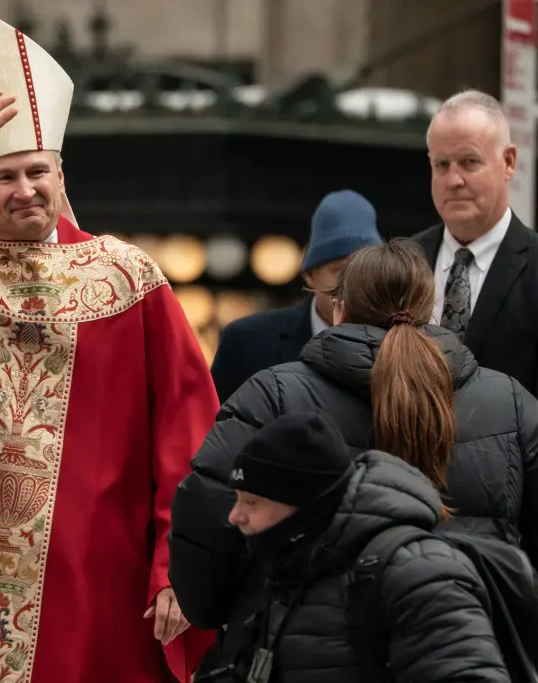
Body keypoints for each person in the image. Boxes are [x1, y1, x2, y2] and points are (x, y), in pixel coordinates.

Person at [0, 12, 218, 683]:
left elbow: (189, 435)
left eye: (37, 171)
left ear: (62, 176)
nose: (25, 189)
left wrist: (178, 563)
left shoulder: (128, 278)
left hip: (99, 582)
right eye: (3, 176)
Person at [170, 238, 538, 666]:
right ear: (429, 308)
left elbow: (208, 510)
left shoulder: (271, 395)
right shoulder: (510, 403)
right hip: (466, 648)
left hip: (302, 650)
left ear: (339, 308)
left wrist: (223, 612)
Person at [216, 411, 511, 682]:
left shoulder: (418, 572)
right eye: (237, 498)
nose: (235, 515)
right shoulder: (299, 566)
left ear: (301, 503)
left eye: (252, 502)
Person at [412, 89, 538, 398]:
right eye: (441, 165)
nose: (454, 180)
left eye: (469, 162)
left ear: (508, 162)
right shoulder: (402, 262)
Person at [210, 189, 382, 403]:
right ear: (310, 275)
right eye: (340, 271)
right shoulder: (246, 343)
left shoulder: (399, 349)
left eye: (366, 272)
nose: (355, 285)